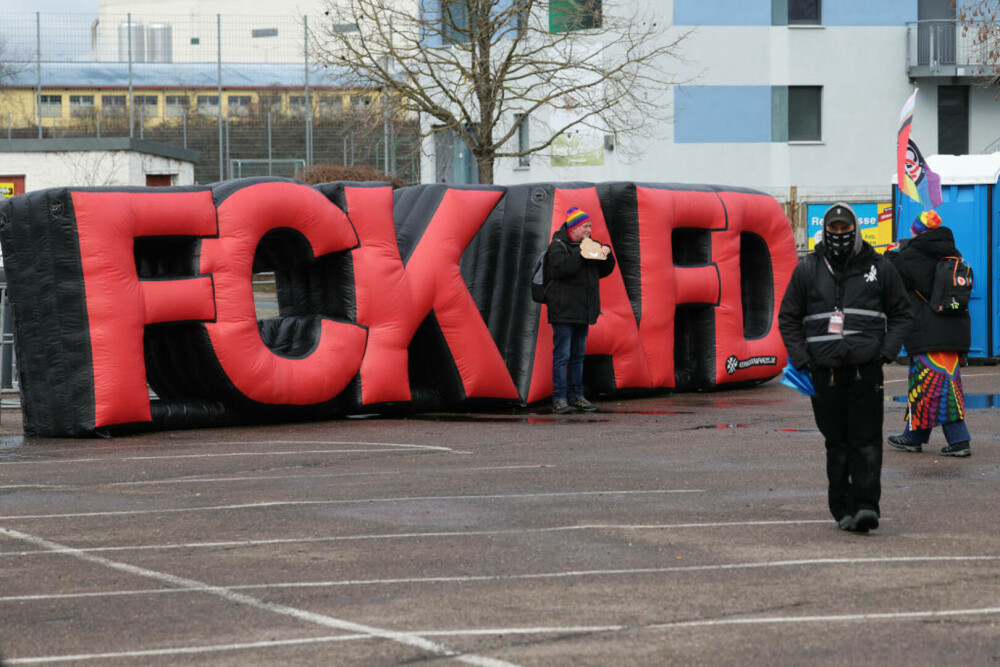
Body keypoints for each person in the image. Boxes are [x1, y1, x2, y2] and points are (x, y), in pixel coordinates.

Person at [778, 202, 911, 534]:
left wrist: (885, 353)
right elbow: (789, 317)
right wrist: (803, 359)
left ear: (855, 229)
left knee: (866, 441)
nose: (839, 234)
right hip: (824, 373)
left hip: (866, 371)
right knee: (835, 442)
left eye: (844, 228)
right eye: (833, 229)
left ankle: (866, 506)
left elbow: (902, 313)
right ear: (826, 231)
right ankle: (842, 509)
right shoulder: (807, 269)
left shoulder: (880, 268)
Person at [885, 210, 973, 457]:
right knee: (925, 386)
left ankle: (959, 440)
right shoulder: (953, 254)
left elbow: (891, 279)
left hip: (927, 331)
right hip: (953, 331)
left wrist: (891, 254)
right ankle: (913, 437)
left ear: (918, 231)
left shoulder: (910, 256)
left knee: (939, 386)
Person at [545, 206, 615, 414]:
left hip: (583, 310)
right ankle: (559, 398)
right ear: (573, 228)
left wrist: (606, 254)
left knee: (578, 356)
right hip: (563, 310)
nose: (588, 230)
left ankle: (577, 396)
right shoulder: (558, 246)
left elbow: (603, 271)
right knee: (562, 355)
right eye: (585, 226)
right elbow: (561, 269)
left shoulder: (589, 245)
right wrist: (582, 253)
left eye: (590, 226)